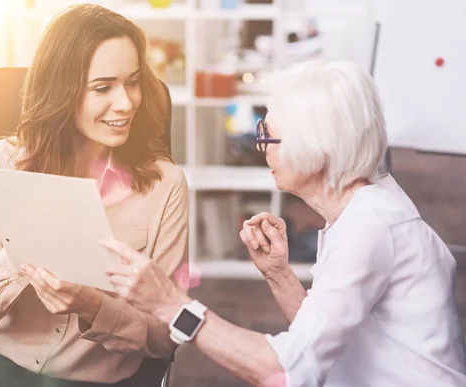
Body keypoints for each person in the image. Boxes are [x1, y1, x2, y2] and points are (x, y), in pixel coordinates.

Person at [101, 60, 466, 386]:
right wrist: (279, 274)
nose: (263, 149)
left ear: (317, 145)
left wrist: (170, 305)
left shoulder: (369, 229)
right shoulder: (364, 212)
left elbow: (287, 371)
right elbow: (323, 338)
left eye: (269, 136)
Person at [0, 4, 188, 387]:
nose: (126, 102)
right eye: (102, 87)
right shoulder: (0, 161)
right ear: (60, 91)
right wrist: (23, 244)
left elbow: (164, 337)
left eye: (132, 82)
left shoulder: (165, 185)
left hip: (93, 379)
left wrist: (93, 306)